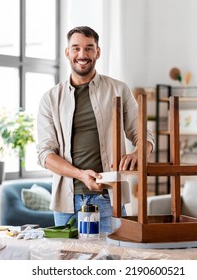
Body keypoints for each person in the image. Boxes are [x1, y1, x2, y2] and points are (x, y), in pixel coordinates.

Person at [36, 26, 154, 233]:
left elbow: (144, 135)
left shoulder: (119, 90)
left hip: (109, 199)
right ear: (67, 53)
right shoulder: (50, 99)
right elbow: (45, 154)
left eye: (89, 48)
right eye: (76, 48)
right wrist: (81, 175)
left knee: (112, 261)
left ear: (98, 52)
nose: (82, 55)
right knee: (68, 264)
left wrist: (137, 152)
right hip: (66, 203)